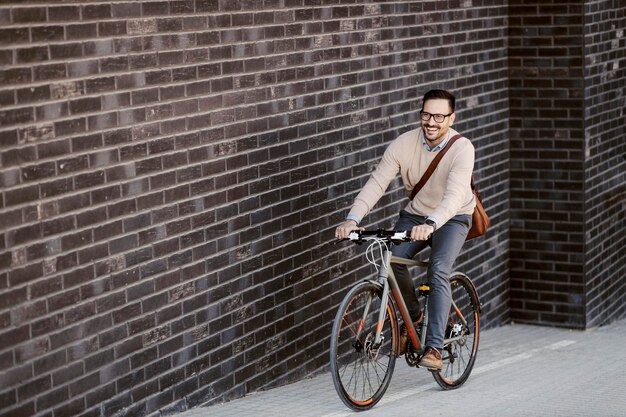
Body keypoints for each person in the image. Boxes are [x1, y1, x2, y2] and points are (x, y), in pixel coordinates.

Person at [335, 89, 475, 370]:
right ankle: (415, 318)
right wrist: (353, 218)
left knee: (437, 269)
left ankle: (434, 347)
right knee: (393, 260)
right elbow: (377, 183)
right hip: (416, 216)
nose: (431, 122)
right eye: (426, 114)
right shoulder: (403, 144)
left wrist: (432, 224)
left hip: (453, 217)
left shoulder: (462, 148)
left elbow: (455, 194)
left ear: (451, 118)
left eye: (439, 116)